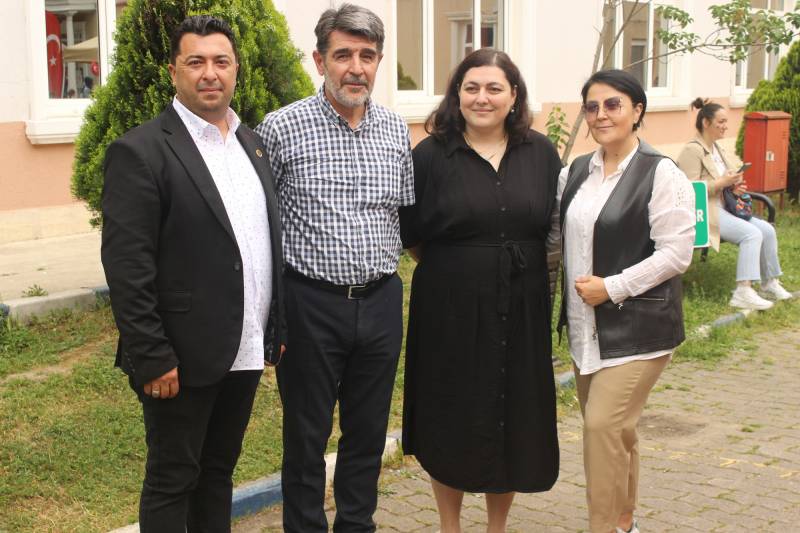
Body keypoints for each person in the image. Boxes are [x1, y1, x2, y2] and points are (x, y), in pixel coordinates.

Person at [101, 15, 284, 532]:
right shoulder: (140, 151)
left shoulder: (251, 144)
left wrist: (275, 326)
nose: (210, 73)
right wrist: (152, 356)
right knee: (173, 479)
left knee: (218, 473)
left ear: (236, 69)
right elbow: (127, 267)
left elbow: (262, 241)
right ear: (173, 71)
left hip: (244, 347)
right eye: (196, 62)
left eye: (221, 61)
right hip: (179, 357)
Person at [254, 4, 414, 532]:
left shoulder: (395, 131)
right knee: (307, 434)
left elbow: (401, 214)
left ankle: (356, 524)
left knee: (367, 433)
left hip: (381, 301)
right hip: (310, 305)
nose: (356, 68)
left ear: (379, 61)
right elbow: (260, 222)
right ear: (319, 60)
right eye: (343, 55)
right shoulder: (280, 128)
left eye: (367, 55)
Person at [399, 48, 561, 532]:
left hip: (523, 306)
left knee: (511, 414)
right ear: (457, 95)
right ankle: (449, 525)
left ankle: (496, 527)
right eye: (471, 88)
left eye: (494, 88)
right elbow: (412, 234)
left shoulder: (541, 153)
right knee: (450, 412)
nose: (482, 98)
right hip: (449, 307)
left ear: (514, 96)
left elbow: (550, 228)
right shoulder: (430, 155)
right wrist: (463, 269)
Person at [553, 69, 695, 533]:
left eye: (613, 104)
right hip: (585, 330)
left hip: (639, 331)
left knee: (600, 428)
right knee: (618, 431)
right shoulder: (576, 172)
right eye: (592, 106)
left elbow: (676, 253)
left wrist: (612, 287)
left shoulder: (661, 172)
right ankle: (625, 521)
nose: (601, 115)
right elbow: (555, 237)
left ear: (637, 111)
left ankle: (603, 527)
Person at [677, 98, 792, 309]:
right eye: (721, 122)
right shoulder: (692, 150)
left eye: (726, 122)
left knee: (767, 230)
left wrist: (733, 187)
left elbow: (725, 182)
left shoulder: (717, 149)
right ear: (706, 123)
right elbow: (688, 189)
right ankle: (743, 291)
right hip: (706, 212)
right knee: (751, 234)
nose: (725, 126)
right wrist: (723, 183)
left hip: (726, 207)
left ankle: (769, 283)